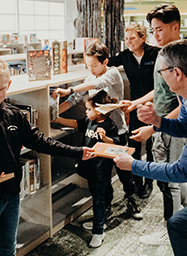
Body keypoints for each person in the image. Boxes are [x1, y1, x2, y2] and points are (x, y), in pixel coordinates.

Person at [0, 57, 95, 256]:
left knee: (7, 249)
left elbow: (41, 142)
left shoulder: (15, 115)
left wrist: (77, 151)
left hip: (11, 195)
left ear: (8, 86)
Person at [114, 39, 187, 256]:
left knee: (178, 224)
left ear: (176, 73)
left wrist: (133, 165)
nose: (160, 76)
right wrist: (158, 122)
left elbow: (182, 171)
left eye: (161, 71)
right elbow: (184, 126)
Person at [125, 4, 187, 246]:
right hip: (161, 124)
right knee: (168, 180)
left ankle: (172, 230)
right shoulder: (164, 53)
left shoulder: (183, 57)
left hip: (171, 126)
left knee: (170, 181)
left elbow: (184, 103)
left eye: (160, 29)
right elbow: (160, 89)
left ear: (175, 27)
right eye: (153, 30)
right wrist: (136, 102)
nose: (155, 35)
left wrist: (154, 127)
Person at [52, 42, 143, 222]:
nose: (91, 69)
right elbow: (74, 99)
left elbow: (98, 83)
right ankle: (106, 205)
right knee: (103, 174)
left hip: (117, 131)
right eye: (88, 66)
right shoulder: (89, 80)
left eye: (94, 65)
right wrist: (53, 114)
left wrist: (70, 88)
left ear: (105, 61)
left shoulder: (113, 73)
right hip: (98, 134)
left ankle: (131, 199)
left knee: (124, 170)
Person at [53, 90, 130, 248]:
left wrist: (105, 138)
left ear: (100, 110)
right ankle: (102, 220)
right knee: (100, 195)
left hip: (101, 169)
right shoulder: (89, 121)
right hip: (90, 168)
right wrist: (58, 119)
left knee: (98, 200)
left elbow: (116, 145)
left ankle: (98, 231)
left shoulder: (109, 125)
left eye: (89, 109)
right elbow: (76, 123)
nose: (86, 112)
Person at [108, 23, 161, 199]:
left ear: (143, 38)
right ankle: (137, 182)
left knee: (153, 146)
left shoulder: (156, 54)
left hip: (155, 106)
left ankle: (150, 181)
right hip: (135, 107)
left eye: (133, 38)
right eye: (127, 38)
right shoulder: (125, 56)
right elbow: (107, 61)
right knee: (135, 145)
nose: (129, 42)